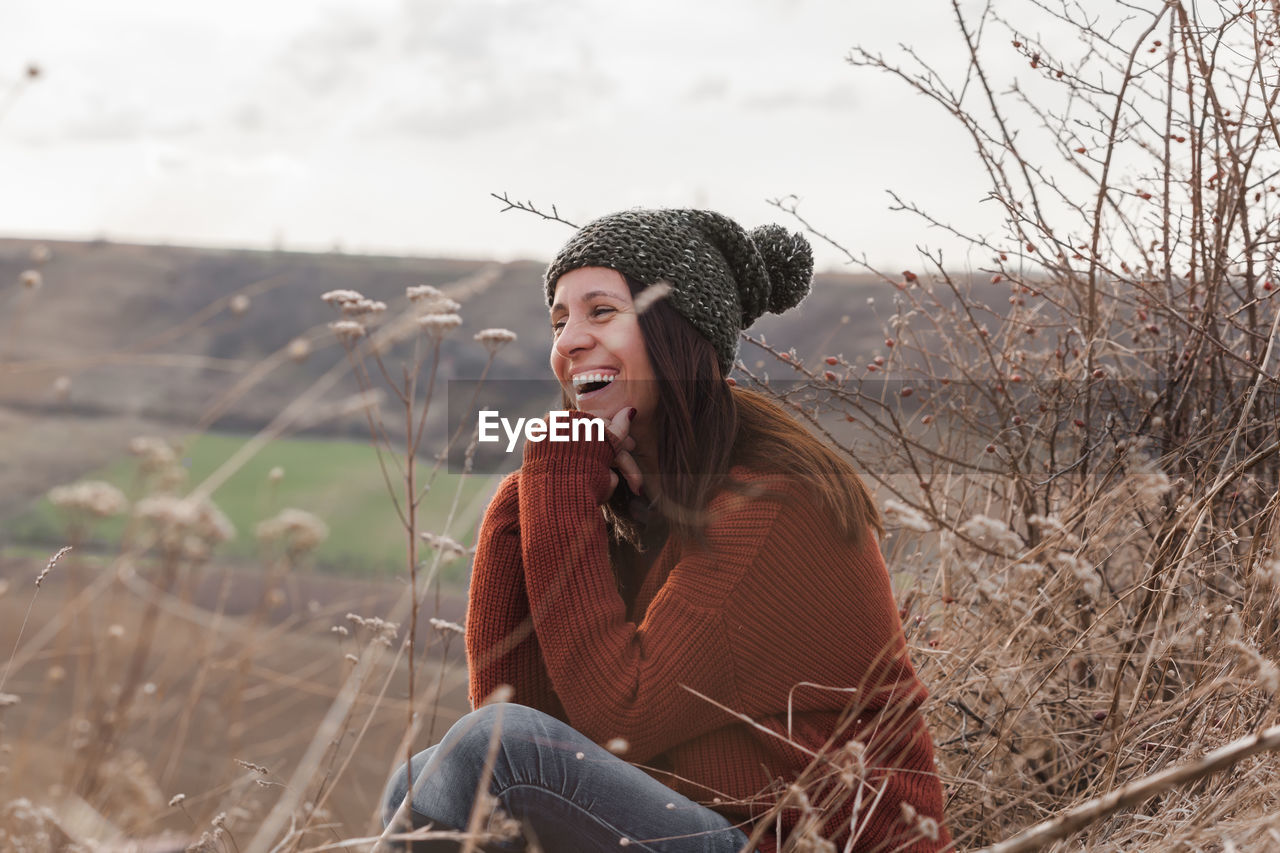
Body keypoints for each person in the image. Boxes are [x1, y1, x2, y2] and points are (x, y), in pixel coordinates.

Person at [382, 210, 951, 852]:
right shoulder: (631, 498)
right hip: (709, 826)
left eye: (600, 312)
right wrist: (528, 502)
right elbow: (525, 707)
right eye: (559, 319)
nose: (568, 341)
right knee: (416, 781)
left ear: (677, 332)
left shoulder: (774, 504)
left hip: (798, 844)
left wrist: (558, 487)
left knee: (487, 749)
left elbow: (612, 722)